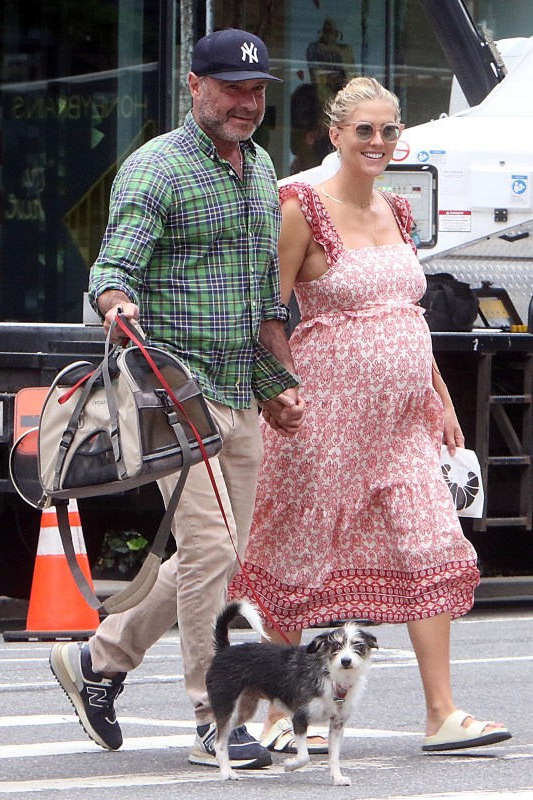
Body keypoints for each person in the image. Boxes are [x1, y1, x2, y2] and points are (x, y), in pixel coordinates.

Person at [230, 76, 512, 755]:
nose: (378, 142)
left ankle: (440, 712)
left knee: (432, 540)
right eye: (364, 130)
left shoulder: (396, 211)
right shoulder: (300, 206)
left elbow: (405, 317)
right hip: (322, 415)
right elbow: (269, 310)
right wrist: (276, 386)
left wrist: (440, 398)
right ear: (334, 136)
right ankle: (275, 710)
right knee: (295, 555)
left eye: (388, 130)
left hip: (402, 420)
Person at [49, 28, 305, 771]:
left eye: (256, 91)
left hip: (237, 392)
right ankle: (213, 715)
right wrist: (118, 304)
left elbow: (264, 299)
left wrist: (277, 387)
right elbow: (111, 269)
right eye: (231, 88)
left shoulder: (260, 170)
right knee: (213, 550)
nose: (246, 103)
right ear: (194, 85)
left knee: (211, 555)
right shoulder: (155, 169)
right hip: (171, 390)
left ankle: (98, 661)